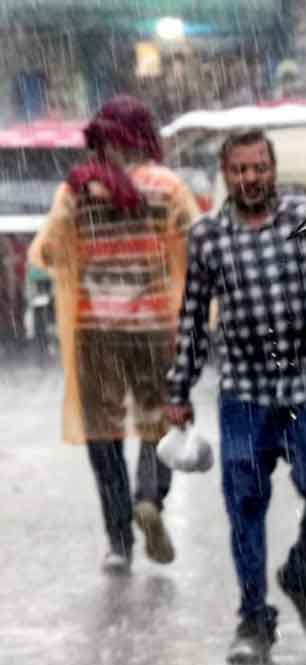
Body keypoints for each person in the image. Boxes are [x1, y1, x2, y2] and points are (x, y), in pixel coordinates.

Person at [163, 128, 306, 665]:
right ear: (226, 175)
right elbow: (191, 316)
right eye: (240, 170)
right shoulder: (208, 236)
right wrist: (178, 389)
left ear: (272, 169)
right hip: (244, 391)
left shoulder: (304, 219)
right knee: (246, 506)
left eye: (259, 168)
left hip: (303, 382)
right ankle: (254, 618)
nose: (251, 179)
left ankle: (302, 574)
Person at [28, 95, 199, 573]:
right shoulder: (168, 186)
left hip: (95, 330)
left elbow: (46, 251)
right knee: (158, 421)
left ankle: (119, 541)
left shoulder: (77, 190)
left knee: (103, 434)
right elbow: (196, 243)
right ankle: (149, 497)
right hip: (153, 327)